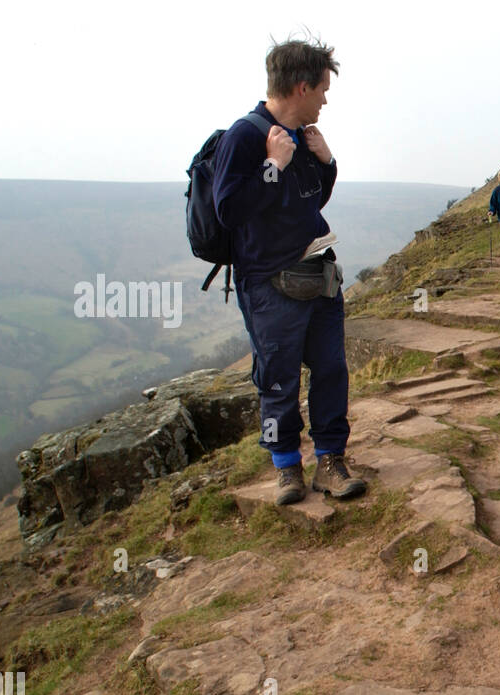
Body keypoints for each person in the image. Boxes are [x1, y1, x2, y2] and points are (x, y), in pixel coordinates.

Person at [212, 38, 366, 506]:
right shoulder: (244, 136)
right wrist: (274, 165)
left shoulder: (301, 136)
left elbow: (308, 203)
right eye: (321, 88)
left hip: (318, 276)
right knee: (278, 378)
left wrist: (326, 163)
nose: (325, 98)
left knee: (331, 370)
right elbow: (229, 209)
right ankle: (286, 469)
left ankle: (331, 461)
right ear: (301, 87)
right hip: (270, 285)